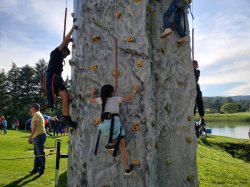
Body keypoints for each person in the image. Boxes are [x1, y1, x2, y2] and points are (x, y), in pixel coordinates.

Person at [90, 84, 140, 176]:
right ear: (112, 92)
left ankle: (110, 146)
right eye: (113, 91)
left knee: (115, 141)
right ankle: (126, 168)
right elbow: (129, 98)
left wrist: (92, 93)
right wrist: (135, 90)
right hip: (115, 124)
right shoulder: (116, 99)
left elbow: (91, 100)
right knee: (122, 146)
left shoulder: (100, 99)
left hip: (103, 125)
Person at [46, 24, 78, 128]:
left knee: (66, 95)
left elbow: (65, 44)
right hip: (54, 78)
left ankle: (66, 117)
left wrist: (68, 42)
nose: (65, 56)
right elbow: (65, 41)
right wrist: (73, 28)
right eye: (66, 54)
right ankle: (65, 117)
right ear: (63, 50)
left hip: (55, 77)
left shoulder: (59, 54)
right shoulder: (57, 52)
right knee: (65, 95)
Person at [28, 103, 46, 177]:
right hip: (38, 136)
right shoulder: (38, 114)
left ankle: (42, 169)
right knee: (37, 153)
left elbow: (35, 126)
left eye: (30, 107)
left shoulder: (36, 115)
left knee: (40, 153)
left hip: (38, 136)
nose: (30, 109)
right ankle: (36, 168)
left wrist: (30, 137)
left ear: (34, 108)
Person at [193, 60, 206, 127]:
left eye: (195, 65)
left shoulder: (197, 71)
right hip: (191, 88)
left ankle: (202, 118)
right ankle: (192, 118)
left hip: (196, 88)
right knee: (193, 105)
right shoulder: (189, 71)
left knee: (200, 102)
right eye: (193, 64)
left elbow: (196, 80)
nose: (194, 66)